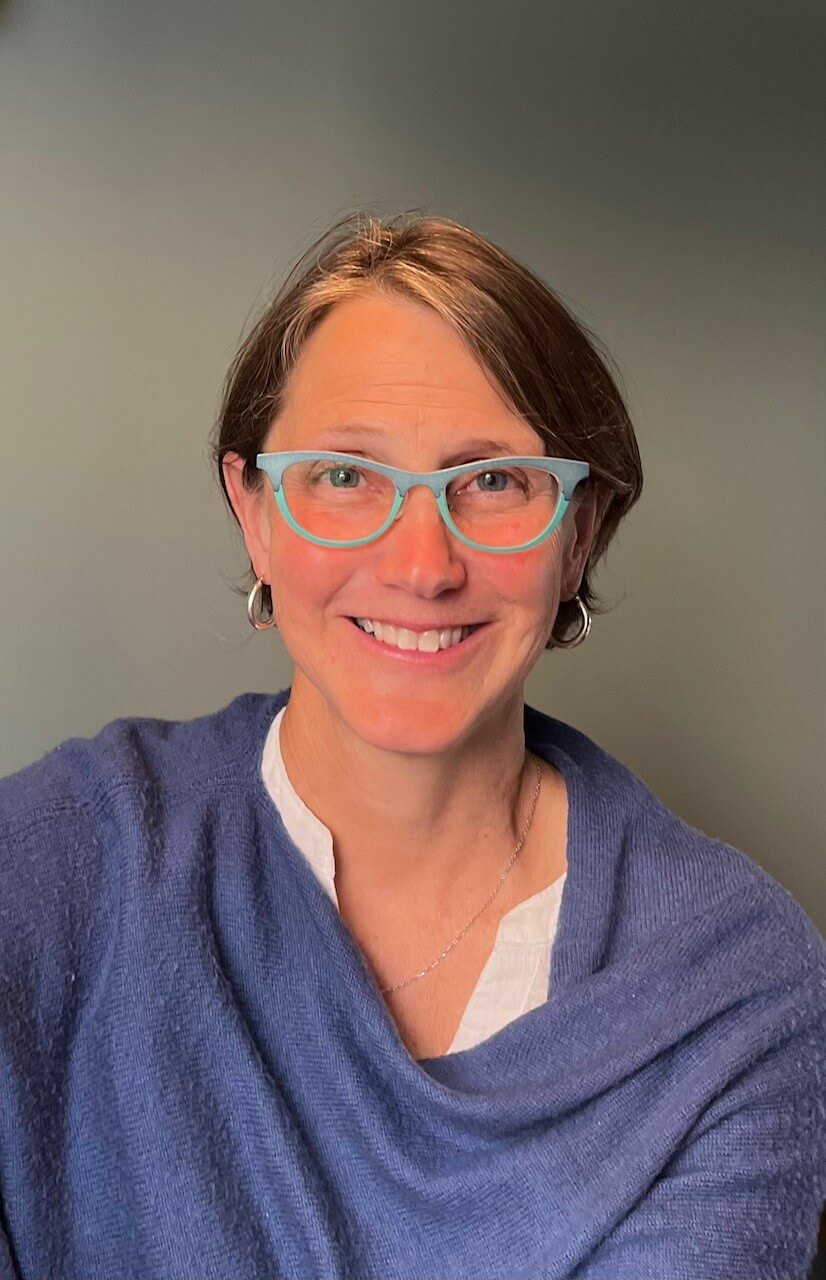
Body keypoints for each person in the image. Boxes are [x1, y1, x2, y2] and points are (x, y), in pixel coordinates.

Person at [0, 211, 823, 1280]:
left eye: (493, 481)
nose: (421, 563)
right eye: (345, 475)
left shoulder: (741, 986)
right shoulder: (55, 861)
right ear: (254, 512)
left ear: (578, 534)